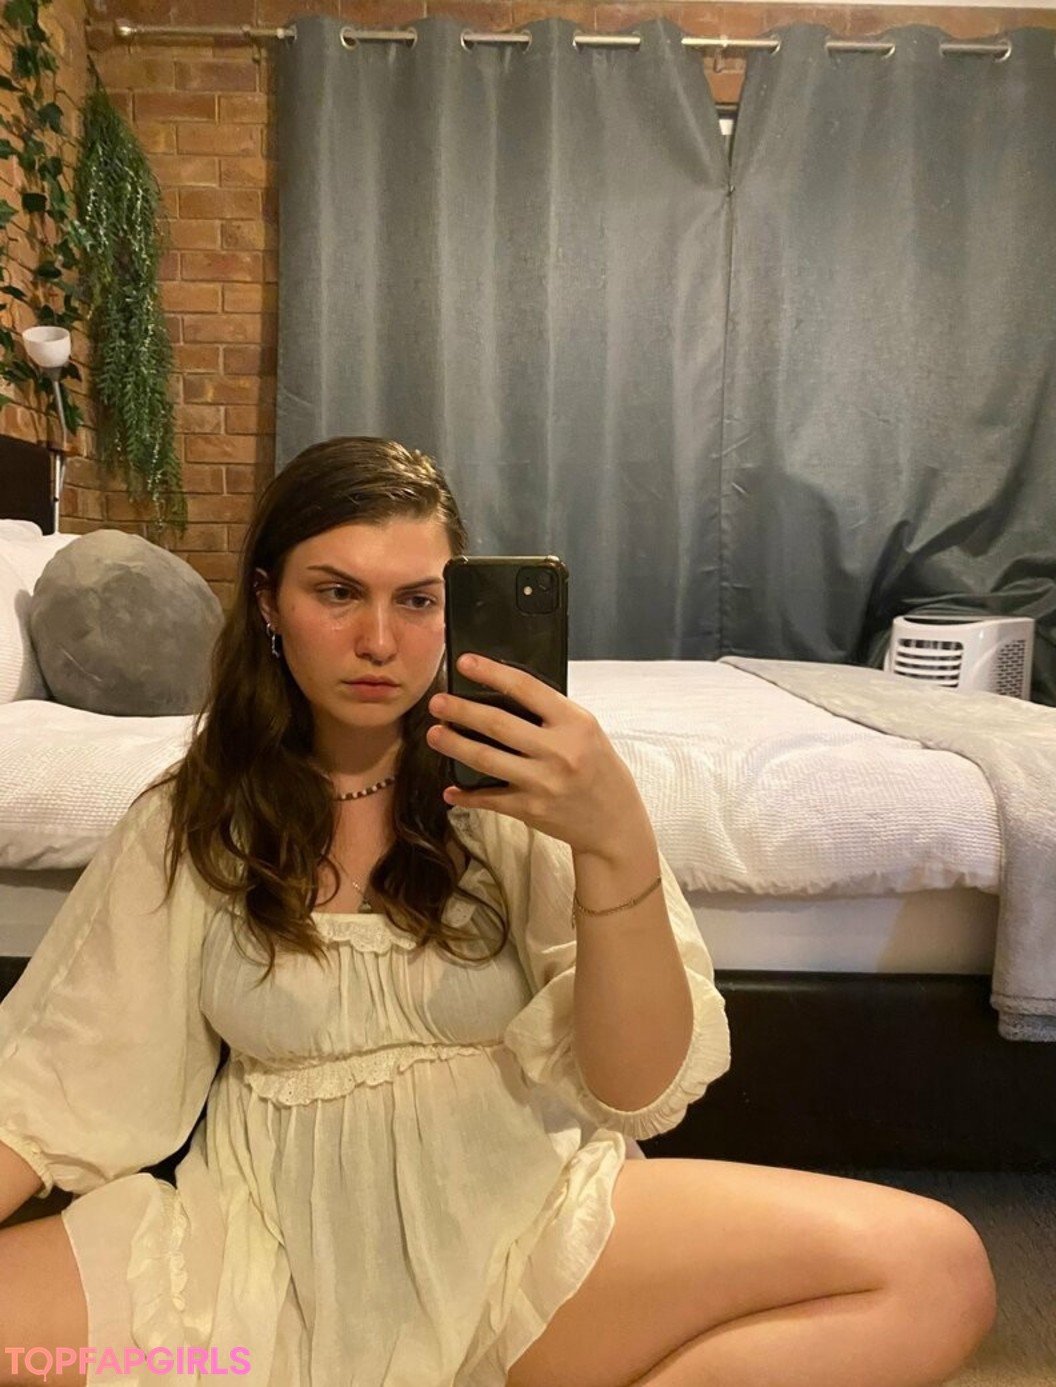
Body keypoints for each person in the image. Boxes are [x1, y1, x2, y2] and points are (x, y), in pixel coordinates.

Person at [0, 436, 995, 1387]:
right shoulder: (194, 819)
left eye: (417, 599)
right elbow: (57, 1075)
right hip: (254, 1262)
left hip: (528, 1238)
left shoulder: (526, 793)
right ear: (268, 600)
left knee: (933, 1272)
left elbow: (636, 1088)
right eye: (337, 592)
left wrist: (613, 840)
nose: (379, 641)